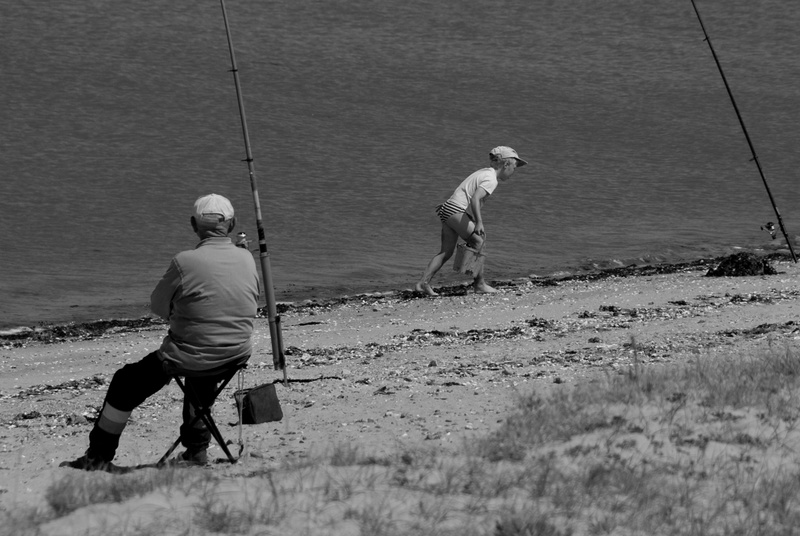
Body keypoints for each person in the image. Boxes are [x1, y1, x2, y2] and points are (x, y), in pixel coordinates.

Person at [61, 193, 260, 472]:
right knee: (202, 375)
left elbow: (157, 306)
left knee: (124, 383)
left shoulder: (184, 262)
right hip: (235, 354)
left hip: (191, 356)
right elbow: (249, 299)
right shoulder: (247, 258)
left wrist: (181, 313)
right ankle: (196, 451)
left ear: (194, 225)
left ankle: (98, 457)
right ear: (232, 223)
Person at [415, 146, 527, 297]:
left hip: (448, 209)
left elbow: (466, 192)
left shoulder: (483, 172)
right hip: (455, 210)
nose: (514, 171)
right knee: (479, 242)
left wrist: (455, 210)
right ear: (506, 164)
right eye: (514, 167)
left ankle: (423, 283)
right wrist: (479, 222)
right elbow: (475, 199)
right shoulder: (491, 179)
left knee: (446, 252)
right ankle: (479, 284)